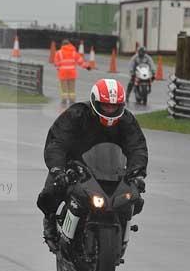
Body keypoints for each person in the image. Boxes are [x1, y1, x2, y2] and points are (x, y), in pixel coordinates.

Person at [36, 79, 148, 250]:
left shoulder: (127, 120)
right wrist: (58, 169)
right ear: (95, 102)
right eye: (105, 106)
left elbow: (137, 147)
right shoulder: (77, 114)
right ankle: (50, 221)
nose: (110, 110)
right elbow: (57, 141)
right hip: (76, 168)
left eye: (114, 106)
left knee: (135, 199)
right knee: (51, 192)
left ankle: (122, 233)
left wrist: (137, 172)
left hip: (113, 171)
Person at [53, 39, 90, 106]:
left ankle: (64, 101)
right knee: (72, 88)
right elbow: (80, 61)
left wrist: (59, 68)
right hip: (72, 72)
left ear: (62, 45)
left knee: (64, 88)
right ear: (69, 44)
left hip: (63, 72)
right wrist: (87, 66)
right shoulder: (74, 52)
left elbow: (56, 63)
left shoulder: (59, 53)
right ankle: (72, 101)